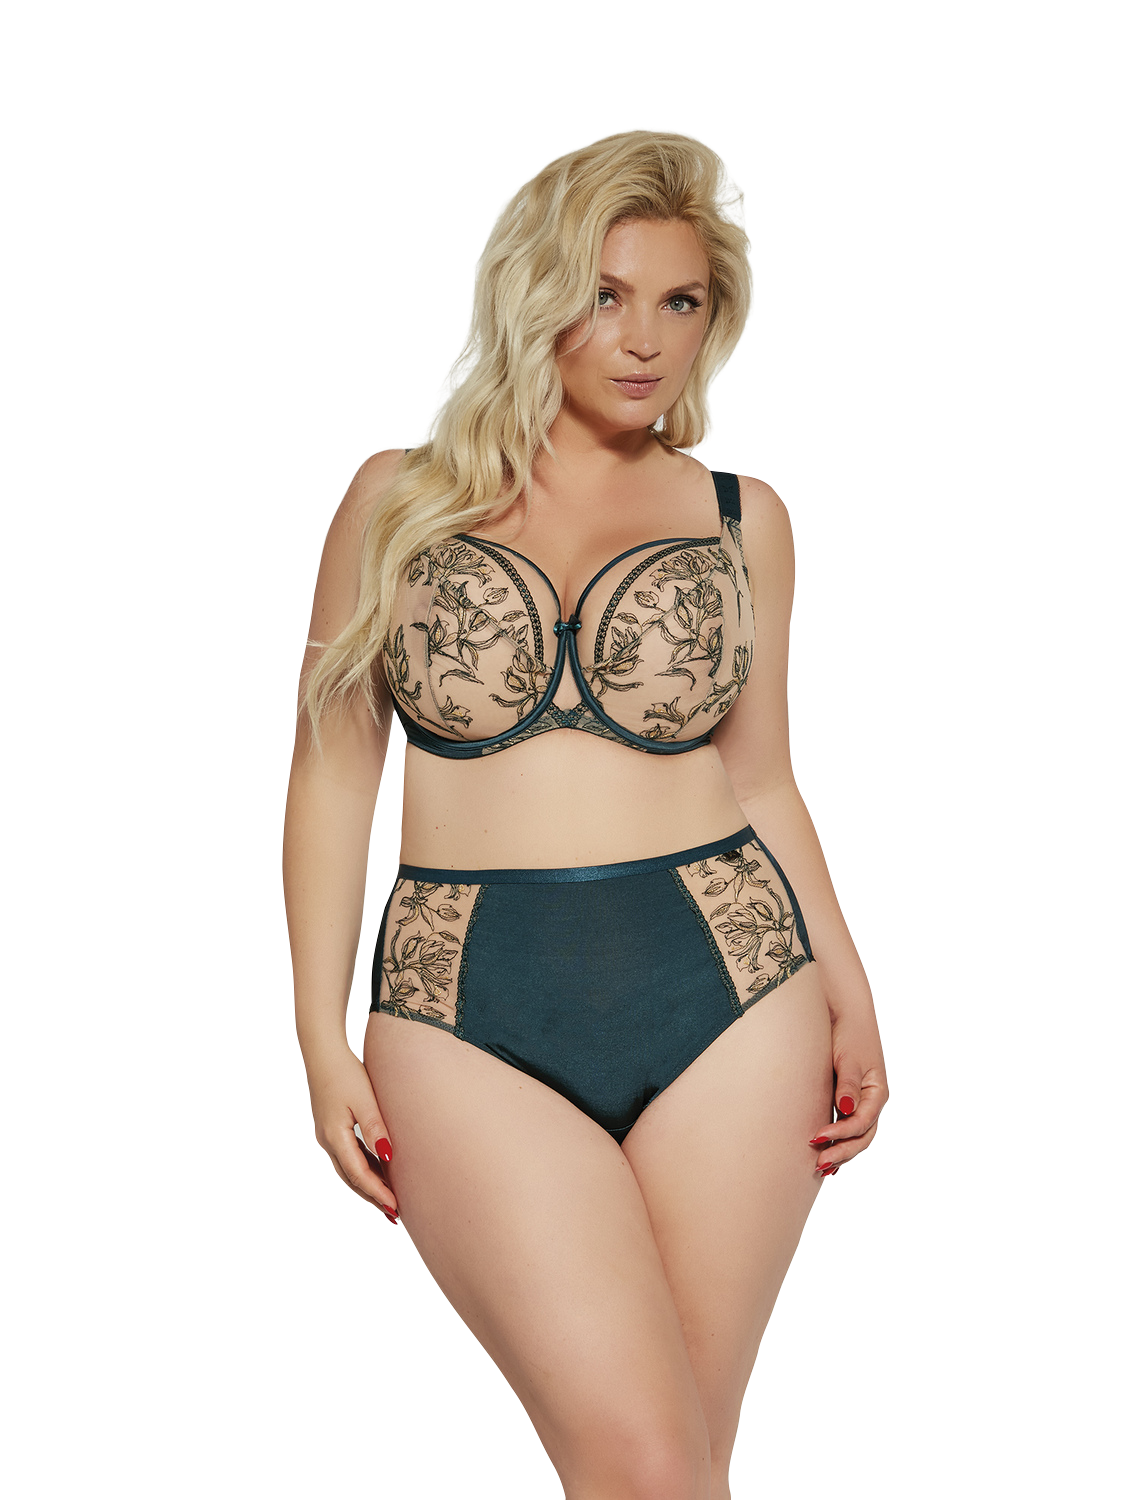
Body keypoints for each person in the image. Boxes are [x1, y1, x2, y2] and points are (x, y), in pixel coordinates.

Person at [283, 127, 888, 1500]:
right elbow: (333, 775)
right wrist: (317, 1035)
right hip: (462, 998)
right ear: (533, 294)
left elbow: (762, 778)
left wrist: (852, 996)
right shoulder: (395, 500)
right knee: (643, 1457)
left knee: (673, 1466)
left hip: (734, 984)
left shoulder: (742, 518)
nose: (646, 339)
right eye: (607, 296)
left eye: (682, 301)